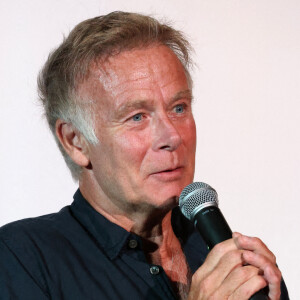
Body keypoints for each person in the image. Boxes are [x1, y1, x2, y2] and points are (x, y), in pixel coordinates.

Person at [0, 11, 288, 300]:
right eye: (137, 117)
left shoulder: (227, 260)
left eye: (178, 108)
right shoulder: (22, 260)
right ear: (76, 142)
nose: (172, 136)